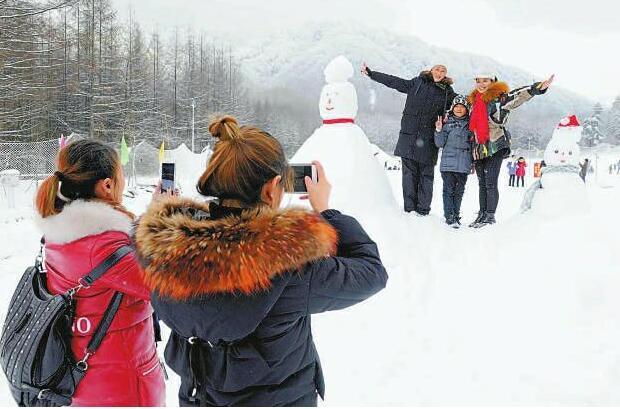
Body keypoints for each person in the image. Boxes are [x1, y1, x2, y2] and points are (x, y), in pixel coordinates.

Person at [133, 116, 388, 406]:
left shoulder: (164, 249)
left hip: (199, 397)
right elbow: (371, 273)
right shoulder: (283, 261)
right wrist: (326, 211)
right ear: (271, 189)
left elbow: (161, 231)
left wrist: (160, 209)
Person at [34, 140, 166, 406]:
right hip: (121, 388)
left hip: (86, 384)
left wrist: (153, 214)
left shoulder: (64, 233)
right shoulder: (103, 247)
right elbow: (169, 281)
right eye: (120, 176)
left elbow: (123, 252)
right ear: (106, 185)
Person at [361, 62, 456, 216]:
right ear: (430, 71)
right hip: (409, 138)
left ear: (445, 75)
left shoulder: (447, 93)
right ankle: (409, 211)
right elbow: (394, 81)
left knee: (426, 177)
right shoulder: (416, 83)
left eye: (443, 70)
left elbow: (463, 105)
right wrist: (372, 74)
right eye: (437, 69)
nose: (440, 72)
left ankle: (423, 211)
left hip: (429, 140)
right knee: (409, 176)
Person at [467, 73, 554, 227]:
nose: (481, 84)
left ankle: (490, 215)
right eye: (478, 81)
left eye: (485, 81)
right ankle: (481, 213)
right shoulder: (473, 102)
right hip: (479, 147)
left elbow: (518, 95)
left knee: (490, 182)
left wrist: (537, 88)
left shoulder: (500, 99)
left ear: (492, 82)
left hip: (495, 144)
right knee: (482, 183)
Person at [434, 95, 472, 228]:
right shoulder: (447, 123)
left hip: (464, 164)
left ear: (467, 109)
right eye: (456, 107)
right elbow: (439, 143)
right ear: (452, 108)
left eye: (462, 107)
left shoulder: (470, 125)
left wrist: (472, 162)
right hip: (448, 164)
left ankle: (456, 214)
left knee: (459, 191)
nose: (459, 109)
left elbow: (473, 145)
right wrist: (438, 130)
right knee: (448, 190)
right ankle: (449, 216)